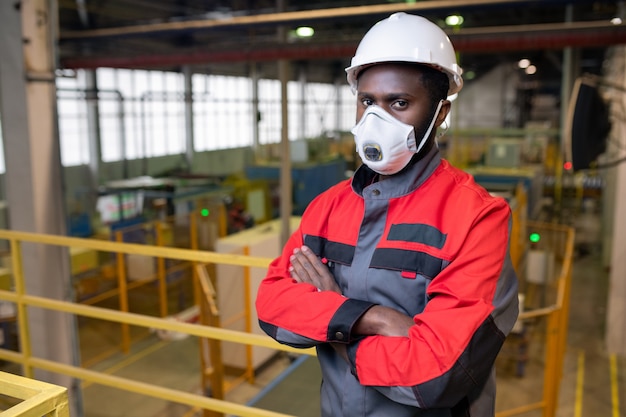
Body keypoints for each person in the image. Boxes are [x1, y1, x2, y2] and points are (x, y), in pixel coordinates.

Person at [255, 12, 519, 417]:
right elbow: (274, 309)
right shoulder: (326, 207)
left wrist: (330, 316)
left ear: (440, 112)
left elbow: (434, 378)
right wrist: (372, 318)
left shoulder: (478, 217)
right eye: (367, 101)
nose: (376, 120)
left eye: (399, 103)